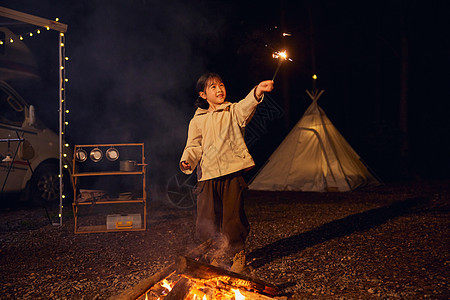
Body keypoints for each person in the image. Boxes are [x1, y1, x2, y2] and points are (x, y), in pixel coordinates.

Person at [179, 72, 274, 273]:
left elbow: (246, 106)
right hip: (207, 176)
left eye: (221, 85)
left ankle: (238, 254)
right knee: (206, 218)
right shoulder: (198, 120)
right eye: (212, 87)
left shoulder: (233, 111)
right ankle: (213, 255)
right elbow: (194, 145)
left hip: (232, 173)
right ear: (203, 94)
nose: (219, 89)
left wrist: (257, 91)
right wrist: (187, 160)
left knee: (233, 216)